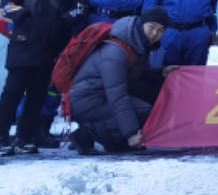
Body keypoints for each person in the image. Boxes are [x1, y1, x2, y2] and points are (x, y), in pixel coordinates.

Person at [0, 0, 86, 154]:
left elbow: (81, 6)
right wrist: (23, 16)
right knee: (12, 93)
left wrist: (65, 20)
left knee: (38, 96)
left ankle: (25, 137)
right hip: (23, 45)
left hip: (50, 48)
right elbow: (5, 4)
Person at [68, 9, 167, 154]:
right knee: (144, 110)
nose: (154, 34)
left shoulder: (137, 44)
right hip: (86, 101)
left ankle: (114, 139)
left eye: (160, 30)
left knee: (154, 94)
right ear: (141, 25)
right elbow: (117, 94)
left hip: (103, 96)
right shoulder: (115, 51)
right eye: (151, 27)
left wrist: (161, 72)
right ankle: (86, 134)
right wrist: (131, 133)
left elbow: (135, 74)